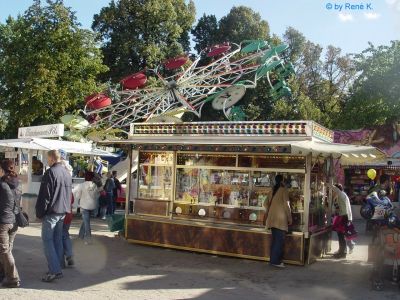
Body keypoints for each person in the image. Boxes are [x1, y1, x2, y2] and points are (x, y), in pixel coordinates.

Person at [36, 150, 72, 282]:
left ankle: (55, 270)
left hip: (52, 212)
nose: (47, 161)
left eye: (47, 158)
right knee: (57, 240)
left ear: (51, 159)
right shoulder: (66, 173)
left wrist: (39, 213)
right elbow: (68, 194)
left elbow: (44, 196)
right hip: (63, 211)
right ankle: (58, 266)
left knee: (48, 241)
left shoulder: (50, 172)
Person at [0, 160, 21, 288]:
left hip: (3, 221)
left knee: (4, 251)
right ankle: (3, 274)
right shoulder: (18, 183)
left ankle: (13, 278)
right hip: (15, 221)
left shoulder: (1, 184)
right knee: (7, 250)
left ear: (2, 170)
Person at [265, 175, 292, 268]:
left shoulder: (272, 190)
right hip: (280, 220)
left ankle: (273, 260)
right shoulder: (283, 190)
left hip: (272, 219)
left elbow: (265, 203)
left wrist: (271, 210)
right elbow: (287, 205)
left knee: (275, 240)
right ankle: (275, 262)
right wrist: (290, 218)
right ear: (282, 181)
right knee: (279, 241)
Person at [73, 173, 102, 244]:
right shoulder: (94, 185)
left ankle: (88, 239)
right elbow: (97, 196)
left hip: (84, 206)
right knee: (85, 221)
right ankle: (80, 236)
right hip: (93, 206)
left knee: (86, 223)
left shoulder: (81, 185)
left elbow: (78, 196)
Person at [60, 150, 74, 267]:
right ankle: (69, 254)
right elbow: (72, 200)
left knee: (61, 236)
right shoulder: (69, 186)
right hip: (68, 213)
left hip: (61, 213)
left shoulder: (61, 186)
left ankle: (66, 256)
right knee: (65, 234)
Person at [331, 183, 353, 259]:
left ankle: (342, 253)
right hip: (342, 217)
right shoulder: (339, 196)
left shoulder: (341, 194)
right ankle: (341, 251)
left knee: (342, 236)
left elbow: (336, 189)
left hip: (343, 217)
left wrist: (328, 184)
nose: (333, 191)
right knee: (341, 236)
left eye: (334, 190)